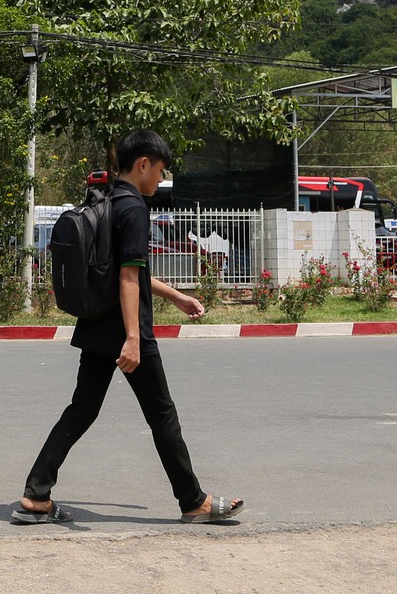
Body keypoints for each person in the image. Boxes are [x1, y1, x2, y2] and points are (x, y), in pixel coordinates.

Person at [14, 129, 243, 527]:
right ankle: (193, 501)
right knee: (163, 415)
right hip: (124, 330)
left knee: (81, 410)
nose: (160, 178)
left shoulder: (108, 200)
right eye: (160, 170)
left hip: (98, 326)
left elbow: (127, 271)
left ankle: (36, 494)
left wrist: (174, 295)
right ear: (142, 164)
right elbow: (125, 278)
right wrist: (134, 338)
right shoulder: (134, 208)